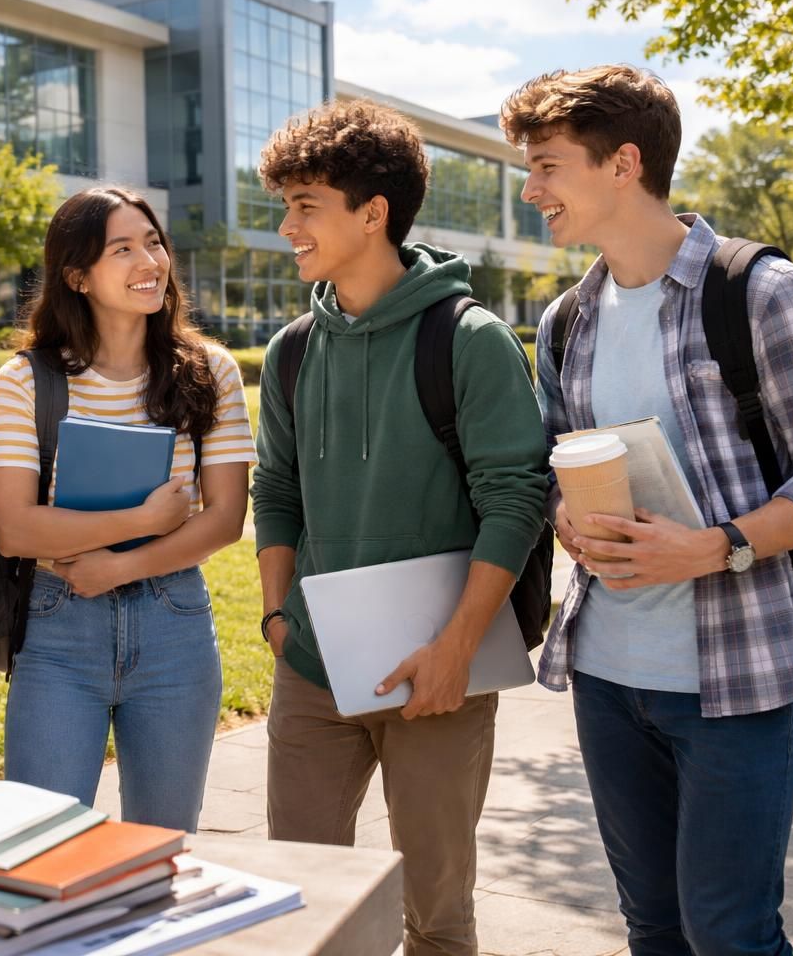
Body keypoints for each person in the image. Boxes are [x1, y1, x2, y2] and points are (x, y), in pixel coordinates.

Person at [503, 64, 793, 955]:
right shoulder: (567, 321)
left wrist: (718, 546)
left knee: (730, 934)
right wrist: (567, 515)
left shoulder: (766, 295)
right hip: (607, 677)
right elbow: (557, 460)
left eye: (548, 165)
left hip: (735, 681)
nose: (530, 187)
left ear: (623, 162)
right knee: (654, 929)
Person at [251, 99, 548, 956]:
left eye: (306, 205)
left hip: (439, 672)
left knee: (437, 919)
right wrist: (278, 617)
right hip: (310, 668)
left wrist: (457, 647)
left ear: (372, 213)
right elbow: (278, 489)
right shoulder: (293, 349)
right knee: (299, 909)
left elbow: (516, 500)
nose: (288, 226)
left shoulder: (470, 339)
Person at [0, 186, 253, 831]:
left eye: (154, 243)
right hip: (58, 631)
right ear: (77, 275)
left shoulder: (208, 371)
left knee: (162, 847)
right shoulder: (26, 380)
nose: (150, 262)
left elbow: (225, 518)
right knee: (39, 845)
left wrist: (119, 566)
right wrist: (141, 522)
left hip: (175, 629)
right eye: (123, 249)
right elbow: (14, 526)